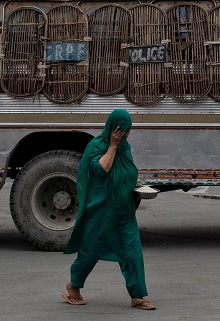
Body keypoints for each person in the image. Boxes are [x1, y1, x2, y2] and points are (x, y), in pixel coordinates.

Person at [61, 109, 155, 310]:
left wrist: (134, 187)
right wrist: (112, 145)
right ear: (113, 128)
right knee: (91, 249)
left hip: (124, 209)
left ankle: (137, 295)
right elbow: (101, 169)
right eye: (121, 130)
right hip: (101, 210)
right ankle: (73, 286)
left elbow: (126, 171)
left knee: (133, 250)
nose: (125, 135)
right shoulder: (98, 146)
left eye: (128, 131)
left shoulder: (125, 148)